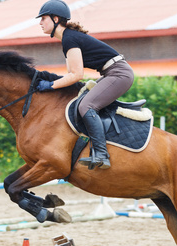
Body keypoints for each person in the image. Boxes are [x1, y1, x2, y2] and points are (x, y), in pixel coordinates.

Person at [35, 0, 135, 170]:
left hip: (119, 73)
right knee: (82, 99)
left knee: (86, 105)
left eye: (44, 18)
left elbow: (76, 74)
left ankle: (102, 154)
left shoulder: (70, 39)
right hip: (113, 73)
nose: (40, 22)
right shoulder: (67, 39)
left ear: (56, 19)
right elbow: (71, 75)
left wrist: (50, 85)